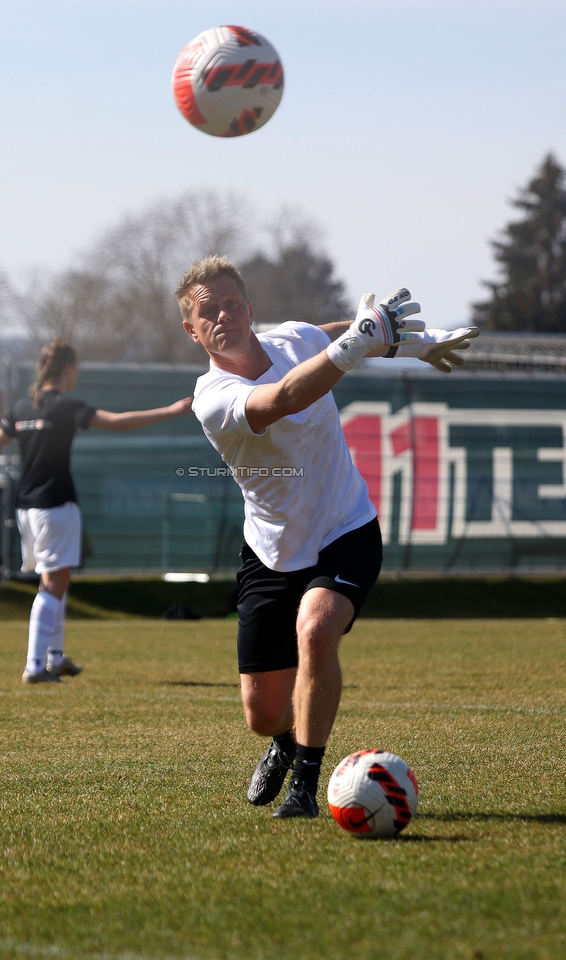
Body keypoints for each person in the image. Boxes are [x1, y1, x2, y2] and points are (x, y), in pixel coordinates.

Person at [176, 255, 478, 818]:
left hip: (346, 526)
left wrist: (411, 342)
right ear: (191, 330)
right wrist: (355, 343)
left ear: (250, 309)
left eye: (231, 304)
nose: (222, 316)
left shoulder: (292, 338)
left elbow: (341, 334)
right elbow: (285, 397)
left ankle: (307, 787)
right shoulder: (211, 397)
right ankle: (286, 740)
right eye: (207, 311)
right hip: (271, 551)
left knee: (315, 632)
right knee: (263, 713)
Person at [0, 337, 193, 685]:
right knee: (54, 584)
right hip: (56, 504)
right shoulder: (67, 405)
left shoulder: (21, 409)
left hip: (27, 507)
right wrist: (170, 411)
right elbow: (117, 422)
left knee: (56, 579)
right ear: (67, 369)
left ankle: (55, 657)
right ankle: (35, 666)